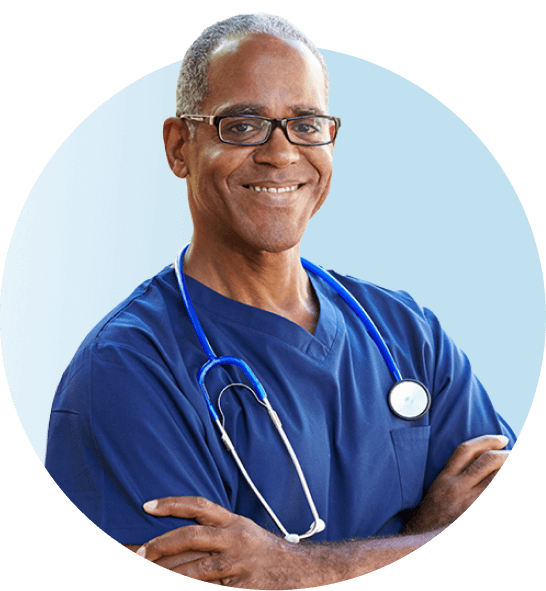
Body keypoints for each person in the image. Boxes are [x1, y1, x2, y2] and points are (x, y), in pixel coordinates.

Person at [45, 12, 516, 588]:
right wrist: (428, 530)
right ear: (179, 147)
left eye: (306, 123)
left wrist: (290, 569)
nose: (280, 152)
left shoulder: (409, 334)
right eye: (242, 125)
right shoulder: (128, 370)